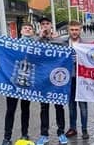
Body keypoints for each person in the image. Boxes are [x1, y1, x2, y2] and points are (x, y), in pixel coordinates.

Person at [1, 23, 35, 145]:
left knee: (25, 109)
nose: (27, 30)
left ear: (33, 32)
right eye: (25, 28)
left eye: (30, 29)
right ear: (21, 31)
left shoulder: (37, 47)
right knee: (10, 110)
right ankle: (7, 137)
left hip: (26, 82)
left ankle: (24, 134)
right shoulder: (12, 45)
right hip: (13, 82)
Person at [35, 17, 67, 145]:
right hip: (42, 78)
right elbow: (30, 50)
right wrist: (39, 37)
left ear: (51, 25)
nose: (45, 26)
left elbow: (65, 50)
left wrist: (55, 39)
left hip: (56, 78)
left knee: (59, 106)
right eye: (43, 24)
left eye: (47, 24)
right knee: (44, 108)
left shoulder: (58, 38)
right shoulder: (36, 39)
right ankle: (44, 134)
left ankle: (61, 132)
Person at [65, 21, 89, 140]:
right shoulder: (62, 43)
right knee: (71, 106)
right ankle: (73, 128)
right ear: (68, 30)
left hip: (82, 79)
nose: (74, 32)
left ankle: (84, 129)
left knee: (83, 106)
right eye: (72, 29)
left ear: (80, 30)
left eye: (76, 29)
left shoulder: (86, 45)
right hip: (69, 79)